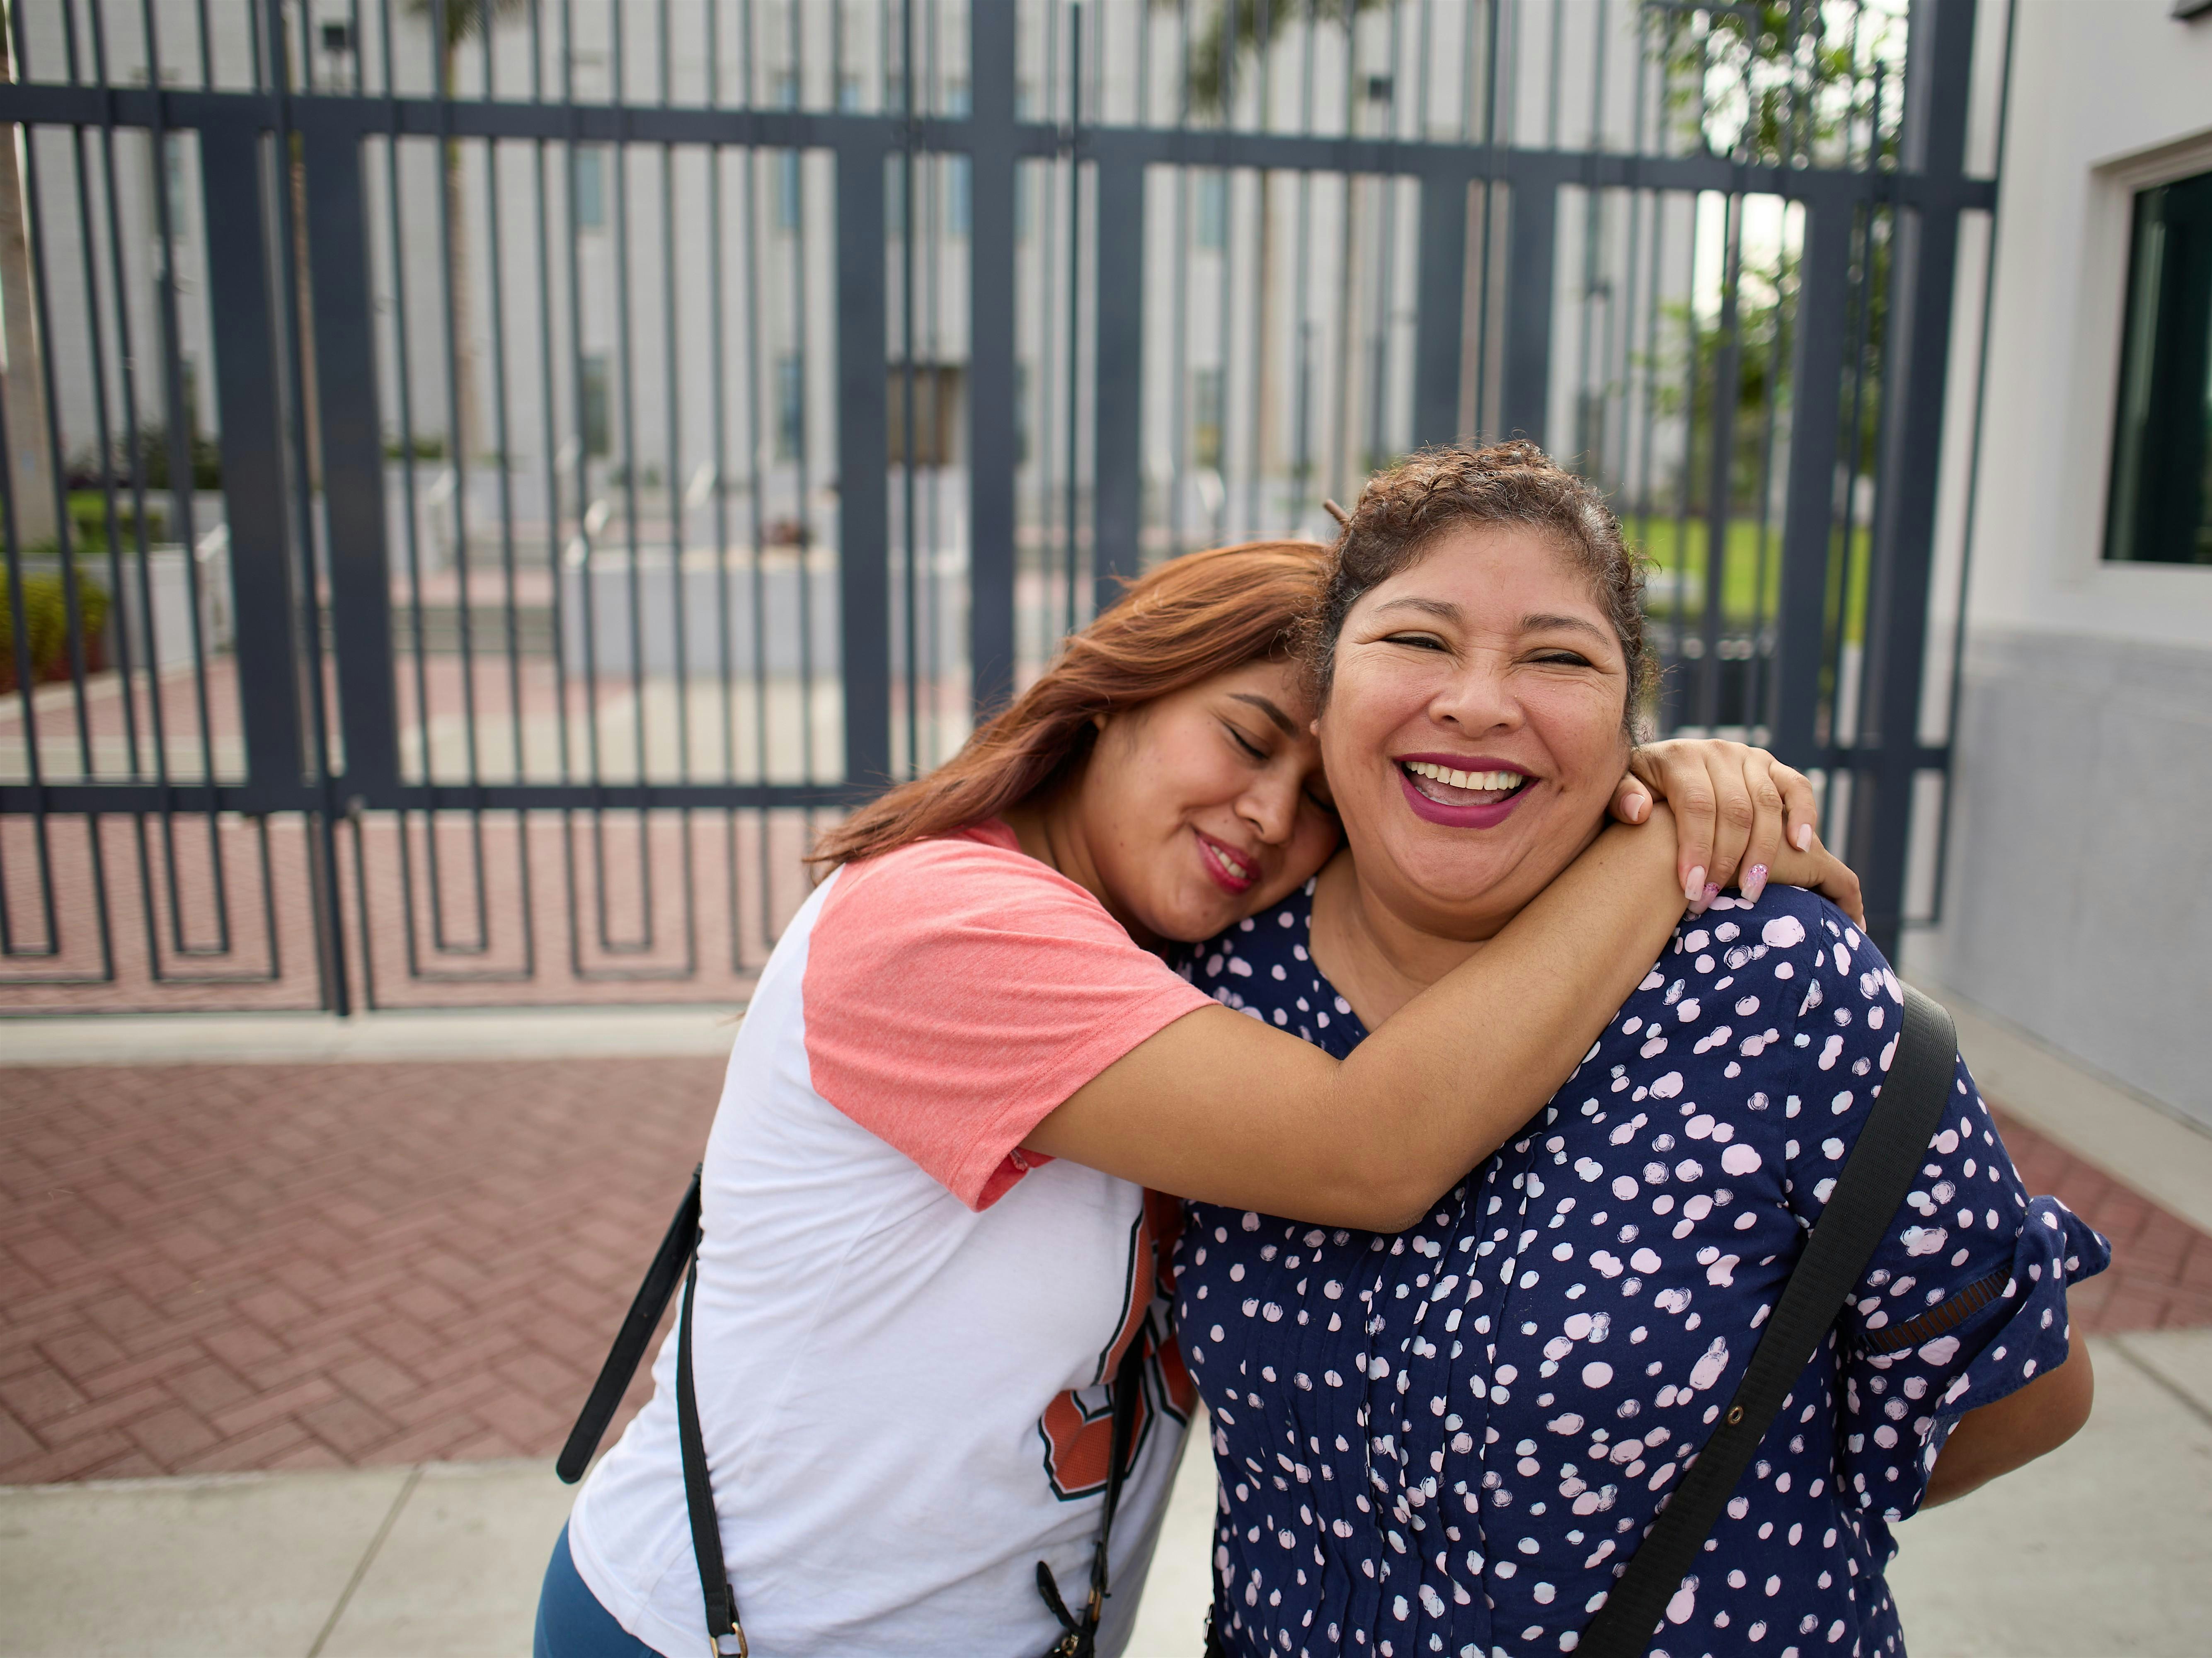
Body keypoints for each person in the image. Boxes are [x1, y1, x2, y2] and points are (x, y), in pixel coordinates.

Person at [540, 538, 1856, 1658]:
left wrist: (1614, 777)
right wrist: (1656, 850)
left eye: (1321, 799)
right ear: (1117, 692)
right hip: (720, 1634)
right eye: (1244, 737)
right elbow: (1370, 1149)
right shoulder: (941, 924)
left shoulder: (1188, 959)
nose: (1269, 817)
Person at [1178, 446, 2106, 1658]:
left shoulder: (1774, 985)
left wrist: (1742, 1537)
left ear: (1631, 726)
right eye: (1418, 640)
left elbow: (2023, 1395)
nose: (1478, 703)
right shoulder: (1216, 981)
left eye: (1559, 658)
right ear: (1322, 690)